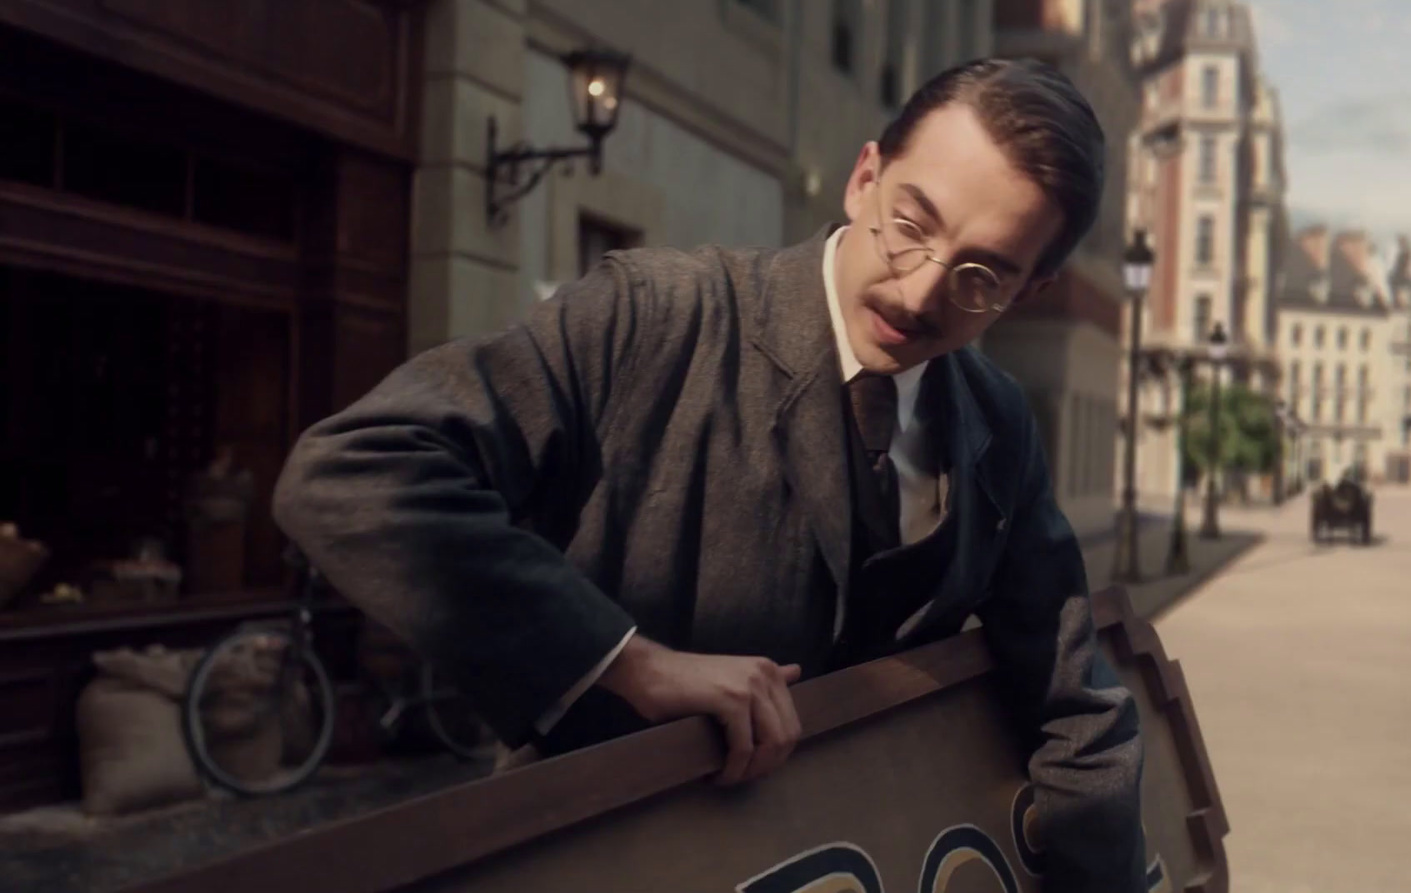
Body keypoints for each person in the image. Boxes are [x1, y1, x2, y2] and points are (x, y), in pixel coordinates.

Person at [273, 58, 1144, 890]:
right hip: (610, 865)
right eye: (910, 225)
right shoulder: (651, 317)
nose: (919, 293)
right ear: (863, 177)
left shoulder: (997, 421)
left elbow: (1076, 708)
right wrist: (628, 661)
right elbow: (353, 473)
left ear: (1031, 292)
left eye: (981, 276)